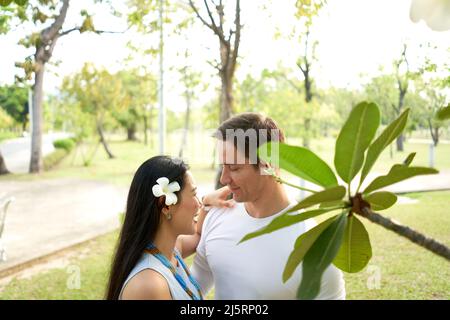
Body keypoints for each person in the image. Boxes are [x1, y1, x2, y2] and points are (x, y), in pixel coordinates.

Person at [191, 112, 346, 299]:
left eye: (234, 168)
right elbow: (193, 289)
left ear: (268, 164)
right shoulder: (217, 215)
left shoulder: (316, 249)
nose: (224, 179)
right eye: (223, 166)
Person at [105, 155, 234, 300]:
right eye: (194, 194)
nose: (198, 203)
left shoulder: (170, 251)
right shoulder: (148, 286)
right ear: (166, 205)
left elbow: (198, 235)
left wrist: (207, 203)